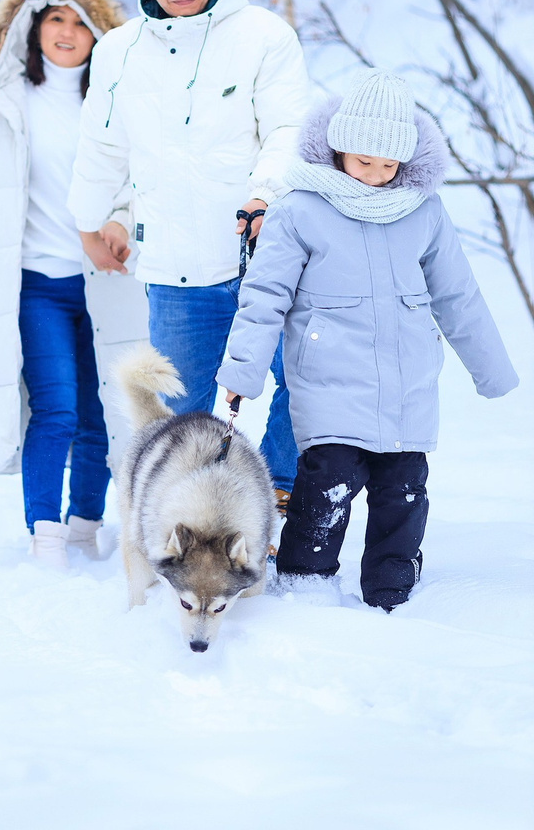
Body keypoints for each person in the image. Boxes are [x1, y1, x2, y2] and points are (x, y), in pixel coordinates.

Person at [219, 73, 516, 610]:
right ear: (337, 150)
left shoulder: (423, 211)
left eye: (389, 166)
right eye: (364, 163)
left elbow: (458, 296)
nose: (377, 178)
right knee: (328, 481)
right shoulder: (300, 209)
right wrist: (242, 373)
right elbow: (264, 297)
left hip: (408, 383)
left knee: (403, 491)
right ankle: (305, 584)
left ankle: (391, 593)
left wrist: (491, 371)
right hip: (330, 378)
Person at [68, 0, 315, 507]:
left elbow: (288, 127)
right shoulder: (120, 51)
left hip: (264, 253)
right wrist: (87, 220)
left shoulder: (264, 34)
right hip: (177, 268)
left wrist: (266, 192)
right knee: (181, 410)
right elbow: (101, 144)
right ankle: (195, 516)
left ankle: (281, 488)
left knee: (304, 380)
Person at [0, 0, 150, 565]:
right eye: (53, 19)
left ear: (97, 35)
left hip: (105, 279)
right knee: (53, 406)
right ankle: (46, 536)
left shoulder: (116, 104)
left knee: (99, 410)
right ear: (32, 31)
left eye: (78, 22)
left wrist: (121, 219)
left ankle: (86, 526)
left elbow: (143, 176)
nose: (65, 31)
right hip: (36, 281)